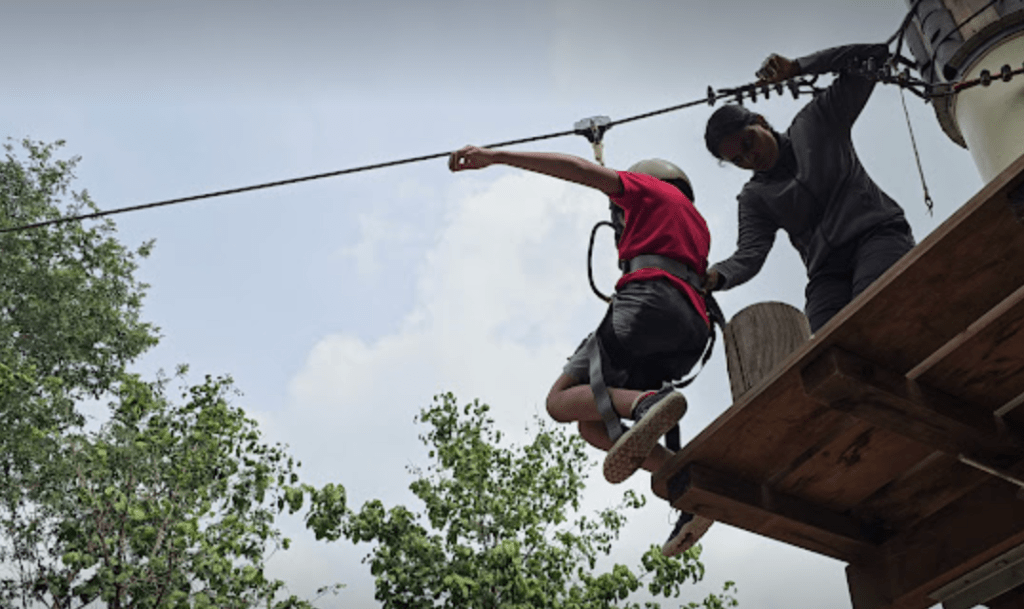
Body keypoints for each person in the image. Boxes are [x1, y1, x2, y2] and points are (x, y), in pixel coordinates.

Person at [449, 145, 714, 556]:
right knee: (592, 424)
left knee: (559, 400)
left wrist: (495, 156)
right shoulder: (697, 223)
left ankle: (647, 403)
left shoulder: (646, 190)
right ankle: (680, 481)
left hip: (647, 307)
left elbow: (576, 169)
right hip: (692, 332)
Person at [703, 44, 916, 333]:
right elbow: (749, 255)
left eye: (748, 143)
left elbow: (874, 58)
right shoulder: (755, 199)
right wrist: (716, 276)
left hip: (877, 236)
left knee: (872, 313)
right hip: (827, 272)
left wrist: (799, 67)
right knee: (823, 349)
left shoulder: (816, 123)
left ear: (761, 122)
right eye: (737, 160)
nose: (750, 158)